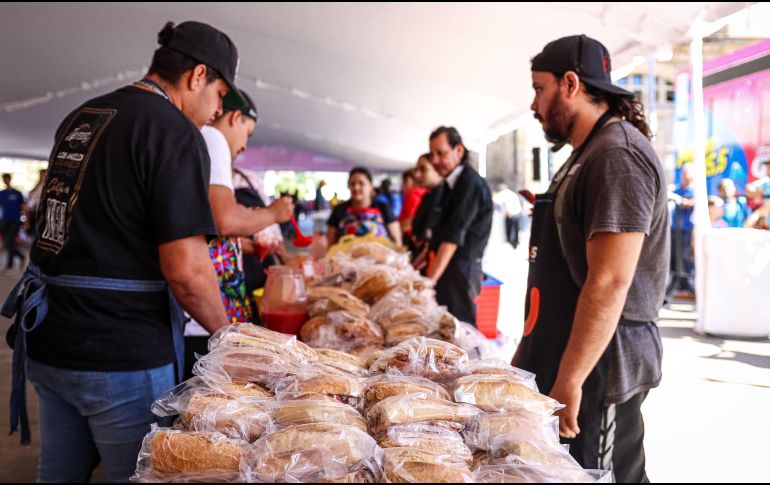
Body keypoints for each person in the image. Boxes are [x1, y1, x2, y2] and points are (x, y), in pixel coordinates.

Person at [1, 21, 246, 482]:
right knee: (136, 474)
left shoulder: (84, 115)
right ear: (197, 75)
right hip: (120, 353)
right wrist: (233, 339)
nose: (217, 111)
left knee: (58, 472)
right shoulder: (172, 131)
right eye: (220, 94)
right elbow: (188, 273)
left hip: (50, 339)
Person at [514, 35, 669, 483]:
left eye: (538, 89)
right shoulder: (584, 154)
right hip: (564, 354)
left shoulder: (616, 154)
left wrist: (572, 378)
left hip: (601, 367)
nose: (533, 103)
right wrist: (527, 352)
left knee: (605, 476)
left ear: (570, 83)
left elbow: (609, 281)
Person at [183, 89, 294, 379]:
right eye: (248, 132)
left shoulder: (192, 141)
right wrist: (274, 213)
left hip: (202, 313)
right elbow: (224, 221)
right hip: (202, 317)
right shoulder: (211, 137)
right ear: (235, 117)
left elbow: (205, 231)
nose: (244, 145)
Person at [425, 126, 493, 326]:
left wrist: (429, 282)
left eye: (441, 153)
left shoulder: (469, 183)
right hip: (450, 267)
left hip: (462, 269)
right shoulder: (450, 184)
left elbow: (452, 238)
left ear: (459, 150)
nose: (435, 160)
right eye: (432, 154)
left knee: (461, 330)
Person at [327, 167, 402, 247]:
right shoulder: (339, 209)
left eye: (361, 183)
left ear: (370, 186)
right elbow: (330, 242)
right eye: (352, 184)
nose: (356, 187)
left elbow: (397, 240)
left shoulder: (383, 207)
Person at [668, 163, 696, 297]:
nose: (684, 175)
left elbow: (690, 204)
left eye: (687, 173)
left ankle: (686, 282)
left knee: (685, 256)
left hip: (687, 229)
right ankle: (676, 280)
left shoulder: (695, 191)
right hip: (674, 228)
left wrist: (679, 200)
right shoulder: (677, 189)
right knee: (674, 256)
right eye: (683, 172)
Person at [0, 173, 27, 271]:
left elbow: (23, 207)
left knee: (9, 242)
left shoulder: (17, 193)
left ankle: (9, 264)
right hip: (4, 221)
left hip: (15, 221)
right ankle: (20, 256)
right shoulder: (1, 194)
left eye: (7, 179)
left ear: (10, 180)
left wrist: (26, 221)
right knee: (7, 243)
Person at [399, 167, 427, 239]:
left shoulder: (413, 194)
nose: (403, 184)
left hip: (411, 237)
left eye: (405, 181)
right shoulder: (425, 192)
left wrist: (397, 230)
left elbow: (412, 220)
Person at [494, 184, 524, 249]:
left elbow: (496, 201)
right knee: (516, 228)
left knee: (510, 228)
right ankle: (516, 242)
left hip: (511, 213)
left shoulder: (503, 193)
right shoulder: (511, 193)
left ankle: (510, 243)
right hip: (518, 212)